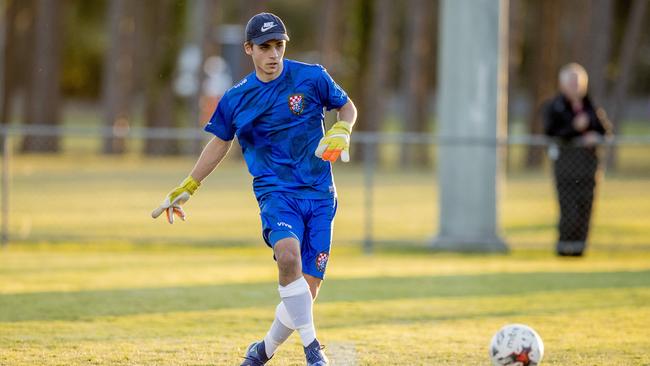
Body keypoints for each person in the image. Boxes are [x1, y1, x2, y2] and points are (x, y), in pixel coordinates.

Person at [151, 12, 357, 366]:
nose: (273, 54)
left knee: (307, 291)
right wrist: (189, 185)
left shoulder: (312, 77)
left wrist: (343, 129)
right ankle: (313, 351)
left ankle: (262, 351)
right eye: (264, 47)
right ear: (249, 49)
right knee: (288, 256)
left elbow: (347, 107)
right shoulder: (236, 99)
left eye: (279, 46)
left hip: (321, 195)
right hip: (276, 194)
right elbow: (219, 143)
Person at [543, 63, 610, 256]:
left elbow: (605, 131)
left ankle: (580, 250)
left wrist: (594, 136)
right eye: (572, 83)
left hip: (588, 167)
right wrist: (575, 130)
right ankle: (564, 249)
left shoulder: (591, 107)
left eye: (579, 83)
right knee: (569, 210)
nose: (576, 87)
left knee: (585, 209)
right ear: (562, 85)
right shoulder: (555, 107)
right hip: (566, 167)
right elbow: (551, 132)